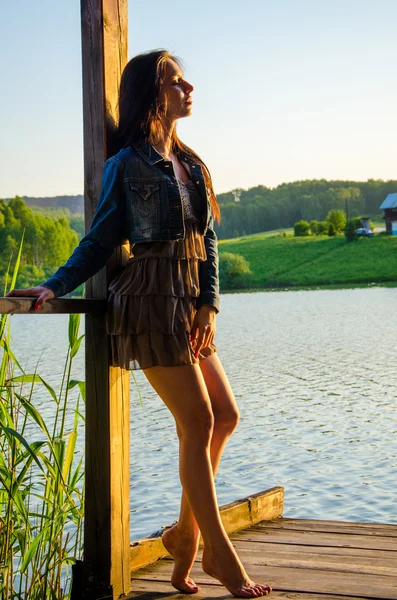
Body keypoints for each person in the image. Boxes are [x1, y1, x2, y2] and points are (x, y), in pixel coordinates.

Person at [7, 50, 272, 598]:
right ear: (153, 94)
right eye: (177, 81)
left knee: (225, 416)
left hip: (187, 302)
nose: (189, 87)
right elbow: (100, 239)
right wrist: (54, 285)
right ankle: (218, 555)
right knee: (198, 421)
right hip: (147, 302)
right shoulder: (125, 164)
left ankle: (182, 537)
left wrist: (209, 304)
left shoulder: (192, 164)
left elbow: (211, 243)